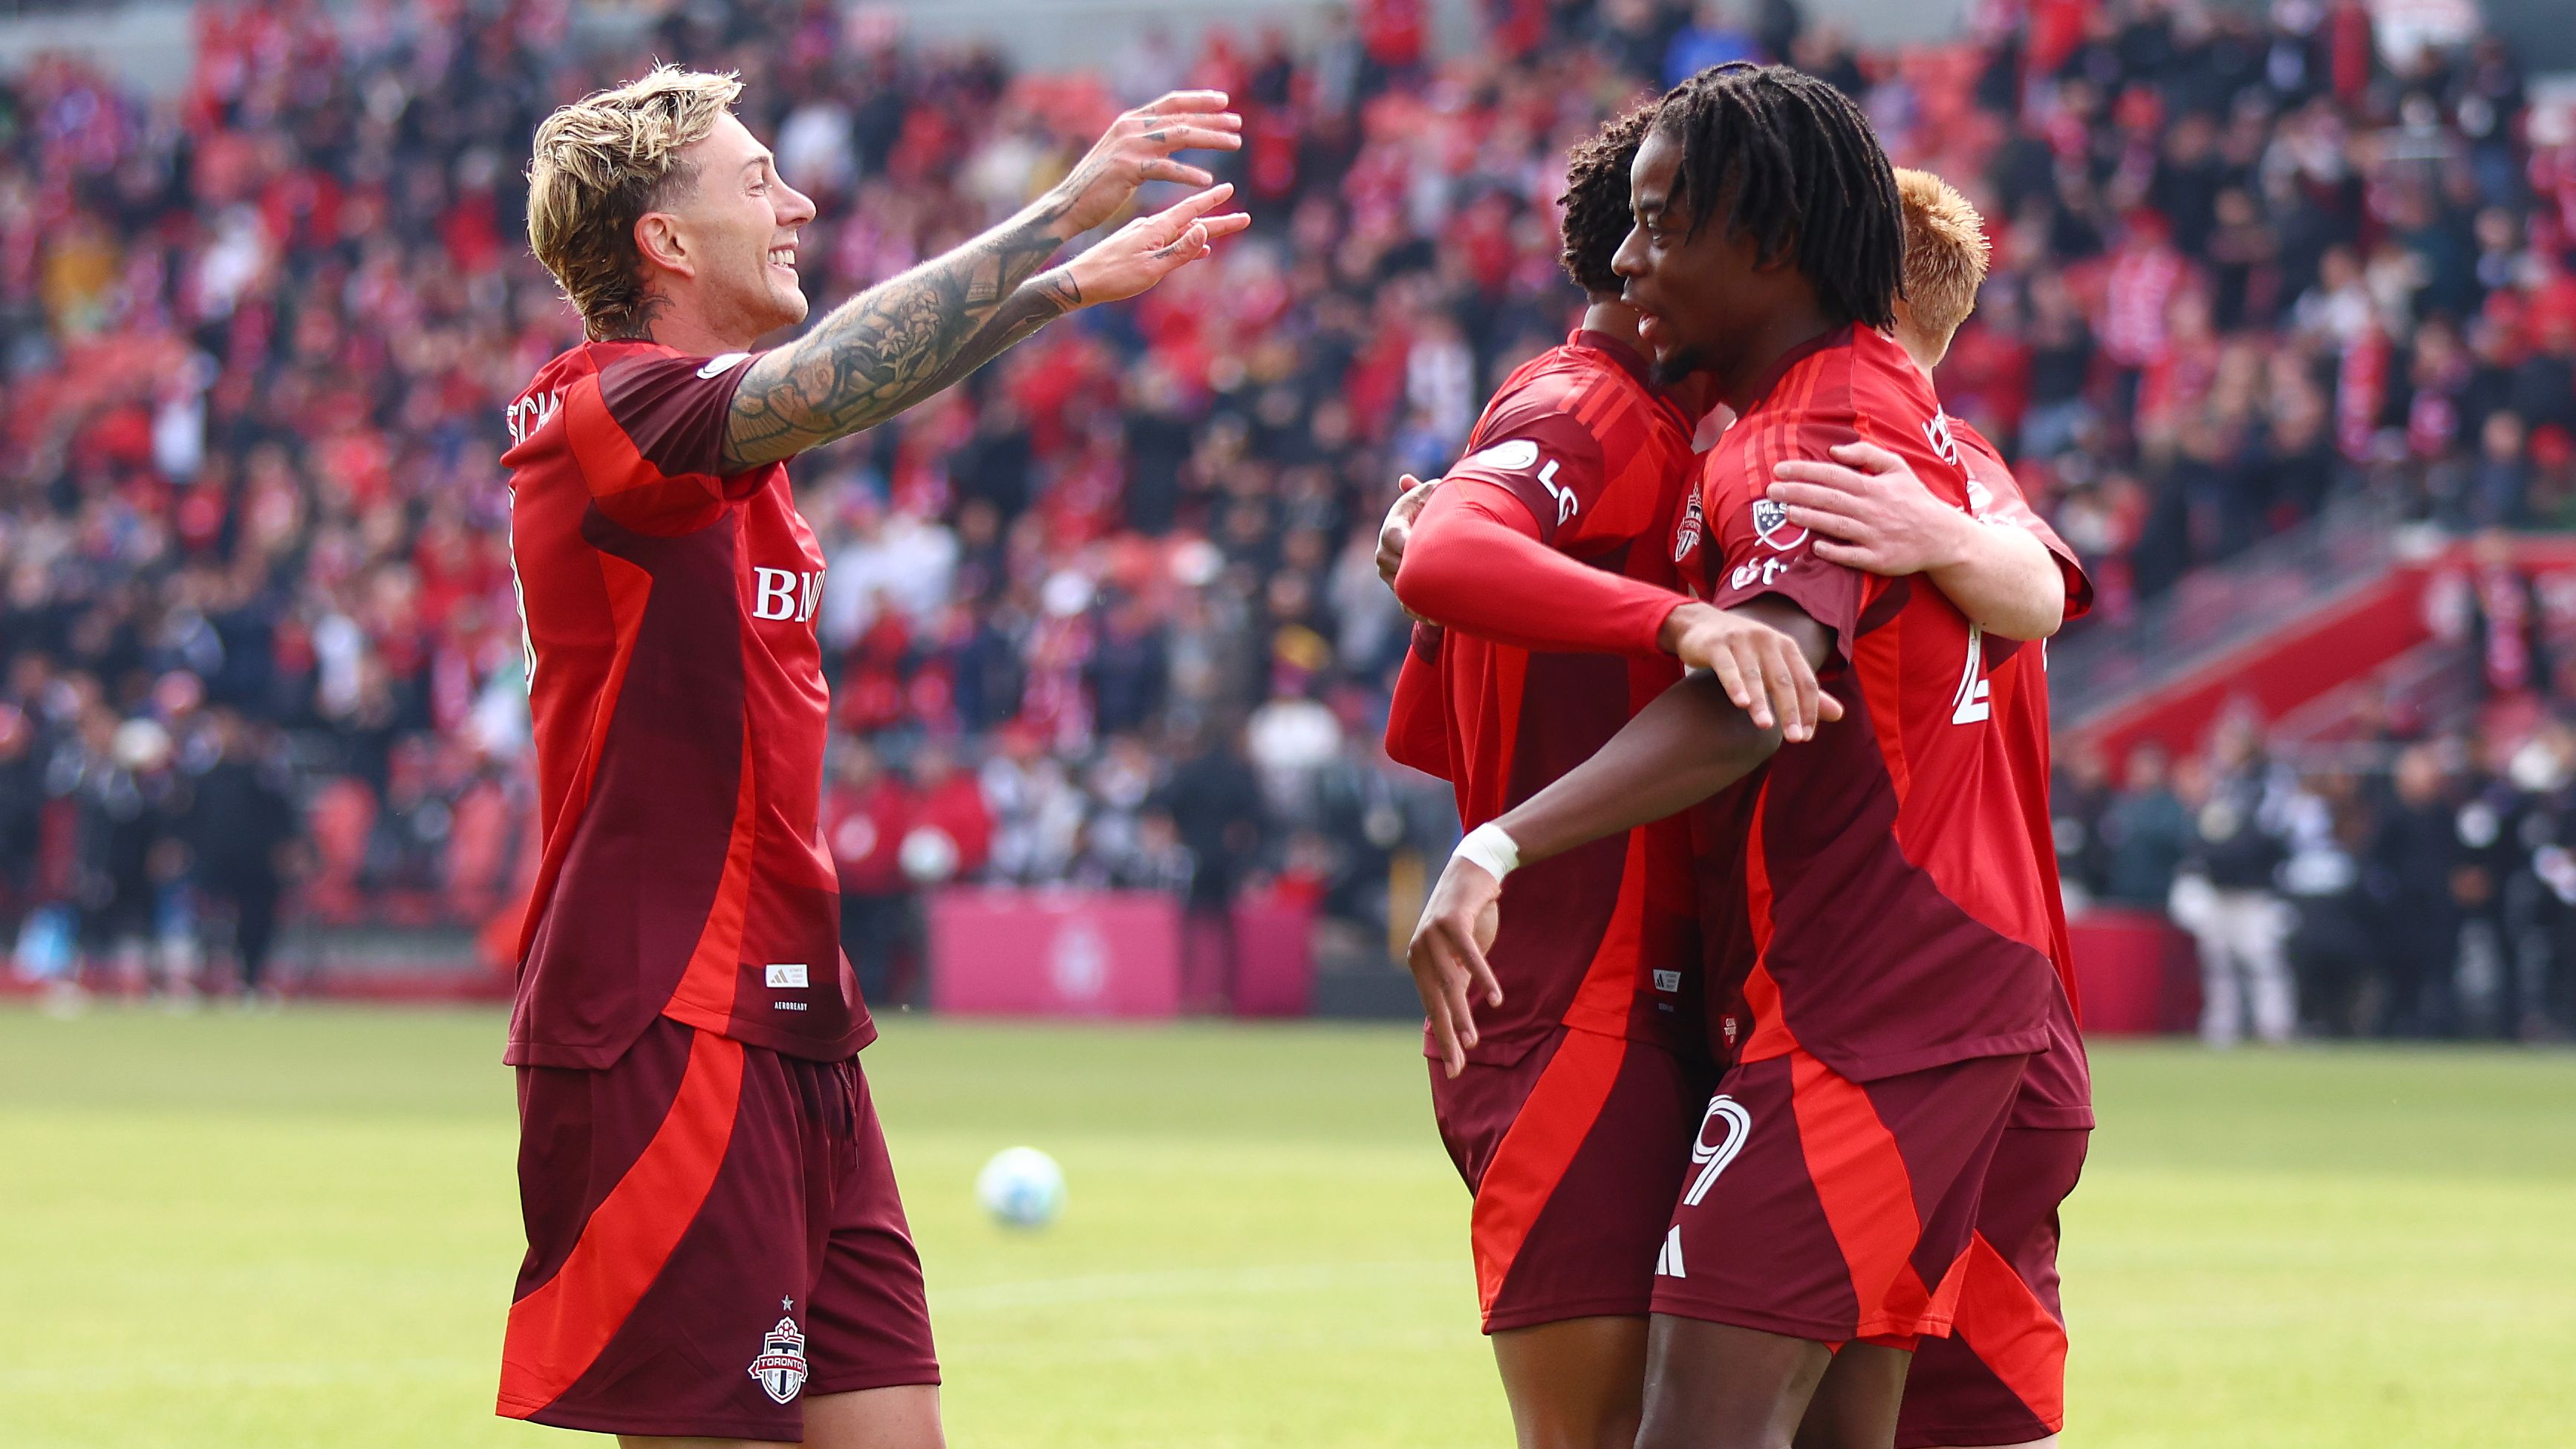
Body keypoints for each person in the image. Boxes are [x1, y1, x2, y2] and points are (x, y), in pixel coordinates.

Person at [493, 65, 1245, 1448]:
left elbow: (825, 389)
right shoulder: (595, 410)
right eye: (754, 182)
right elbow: (827, 383)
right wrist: (1054, 222)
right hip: (666, 1017)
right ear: (663, 242)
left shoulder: (720, 445)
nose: (799, 202)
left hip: (801, 1024)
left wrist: (1056, 289)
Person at [1370, 137, 2070, 1449]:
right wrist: (1643, 621)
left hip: (1808, 1008)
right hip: (1618, 1002)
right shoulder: (1607, 417)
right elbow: (1453, 628)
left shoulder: (1817, 449)